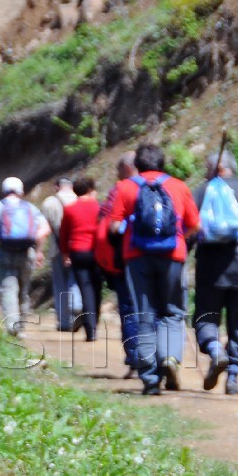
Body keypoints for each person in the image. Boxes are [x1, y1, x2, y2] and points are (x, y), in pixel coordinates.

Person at [109, 143, 200, 395]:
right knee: (172, 312)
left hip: (137, 257)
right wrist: (180, 239)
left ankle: (150, 377)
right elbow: (194, 225)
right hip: (173, 255)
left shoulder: (125, 187)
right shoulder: (179, 186)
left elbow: (113, 227)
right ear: (162, 163)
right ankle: (170, 357)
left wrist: (132, 226)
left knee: (144, 315)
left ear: (137, 165)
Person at [192, 150, 238, 395]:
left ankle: (215, 351)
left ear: (215, 169)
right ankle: (233, 376)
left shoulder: (202, 192)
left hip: (211, 269)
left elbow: (190, 228)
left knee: (206, 317)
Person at [0, 177, 49, 336]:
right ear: (21, 191)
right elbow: (44, 229)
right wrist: (37, 249)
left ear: (4, 190)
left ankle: (12, 325)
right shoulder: (30, 208)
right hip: (27, 253)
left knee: (8, 288)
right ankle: (22, 326)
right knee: (23, 289)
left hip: (5, 252)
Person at [96, 152, 139, 377]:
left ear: (127, 168)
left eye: (119, 169)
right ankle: (161, 357)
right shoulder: (161, 185)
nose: (117, 174)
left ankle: (135, 356)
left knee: (129, 308)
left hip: (127, 259)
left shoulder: (121, 189)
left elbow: (108, 224)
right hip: (161, 258)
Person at [60, 176, 103, 341]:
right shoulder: (98, 207)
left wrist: (65, 254)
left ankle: (90, 329)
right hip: (96, 252)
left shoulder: (69, 209)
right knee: (97, 289)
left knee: (86, 289)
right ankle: (93, 323)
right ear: (91, 189)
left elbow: (64, 234)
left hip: (77, 252)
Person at [41, 178, 80, 332]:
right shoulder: (80, 199)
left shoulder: (50, 202)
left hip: (57, 249)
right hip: (78, 247)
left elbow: (44, 228)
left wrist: (39, 251)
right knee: (74, 280)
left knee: (60, 284)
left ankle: (64, 322)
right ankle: (76, 306)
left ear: (57, 187)